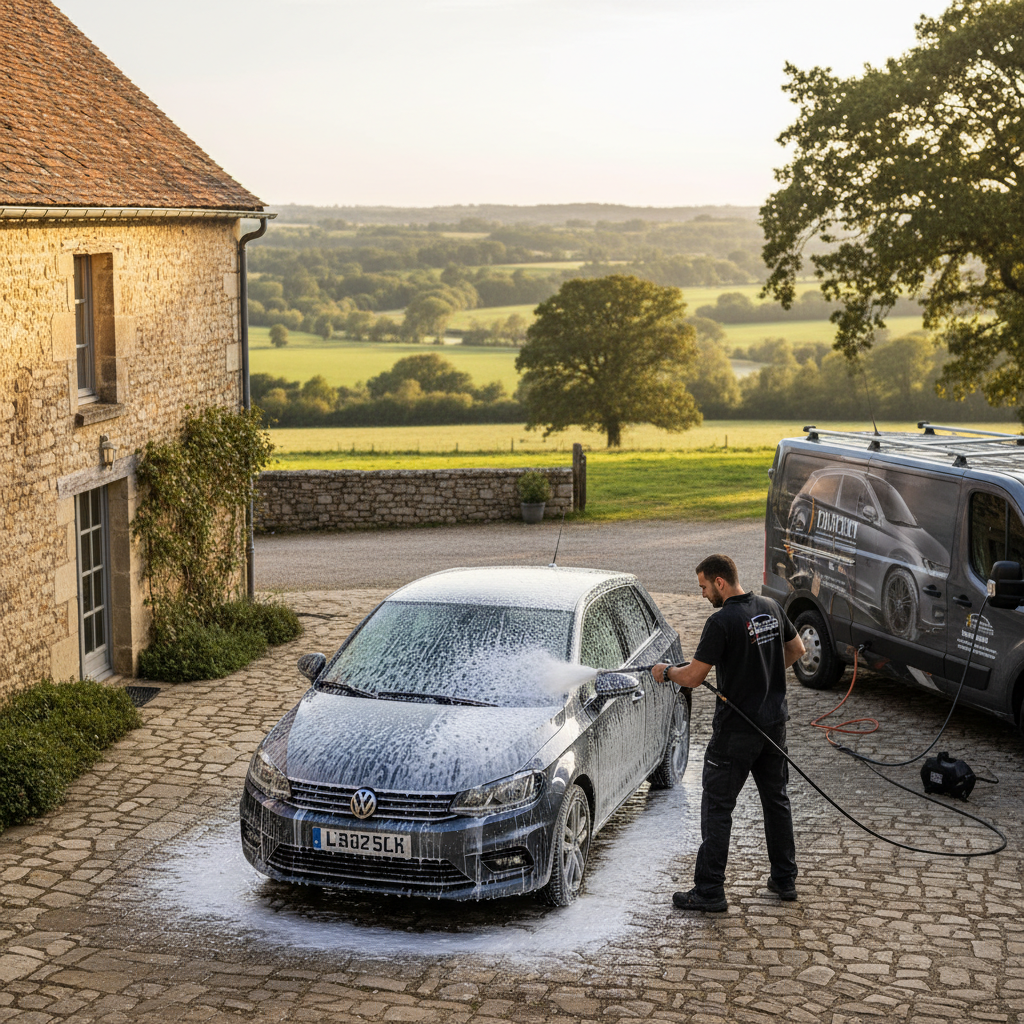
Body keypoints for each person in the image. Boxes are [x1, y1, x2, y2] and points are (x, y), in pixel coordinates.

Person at [653, 553, 805, 913]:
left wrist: (666, 672)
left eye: (704, 586)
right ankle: (784, 880)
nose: (703, 594)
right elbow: (797, 650)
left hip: (735, 732)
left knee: (718, 807)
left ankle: (709, 890)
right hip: (773, 726)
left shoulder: (721, 622)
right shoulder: (771, 606)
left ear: (720, 582)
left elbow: (692, 677)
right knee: (777, 801)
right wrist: (763, 674)